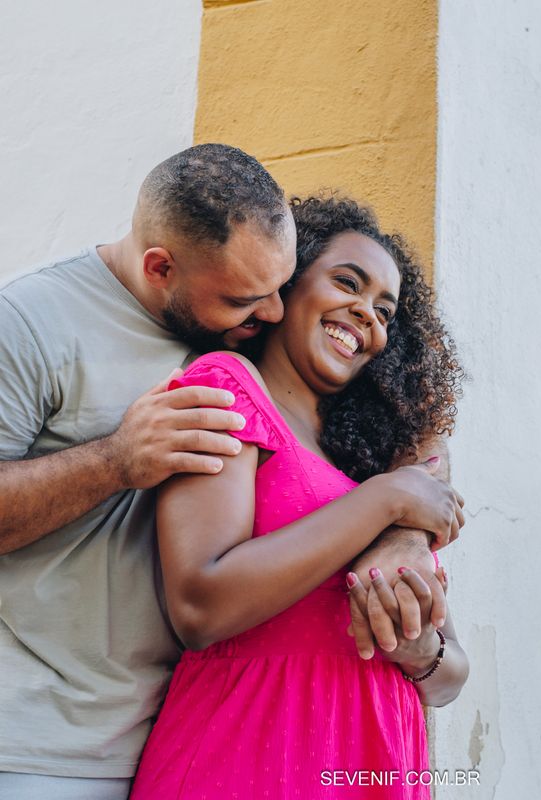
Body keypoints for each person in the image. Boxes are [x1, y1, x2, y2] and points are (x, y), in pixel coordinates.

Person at [0, 145, 460, 799]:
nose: (268, 312)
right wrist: (117, 461)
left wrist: (409, 534)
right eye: (253, 297)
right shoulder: (43, 324)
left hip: (172, 726)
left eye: (387, 309)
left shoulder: (241, 334)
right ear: (163, 269)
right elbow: (203, 600)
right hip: (45, 742)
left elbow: (420, 440)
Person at [129, 195, 469, 798]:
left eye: (385, 310)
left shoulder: (371, 457)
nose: (366, 313)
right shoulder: (228, 389)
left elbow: (451, 678)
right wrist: (385, 502)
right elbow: (200, 607)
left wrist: (419, 650)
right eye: (347, 283)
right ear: (285, 287)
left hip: (374, 760)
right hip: (252, 751)